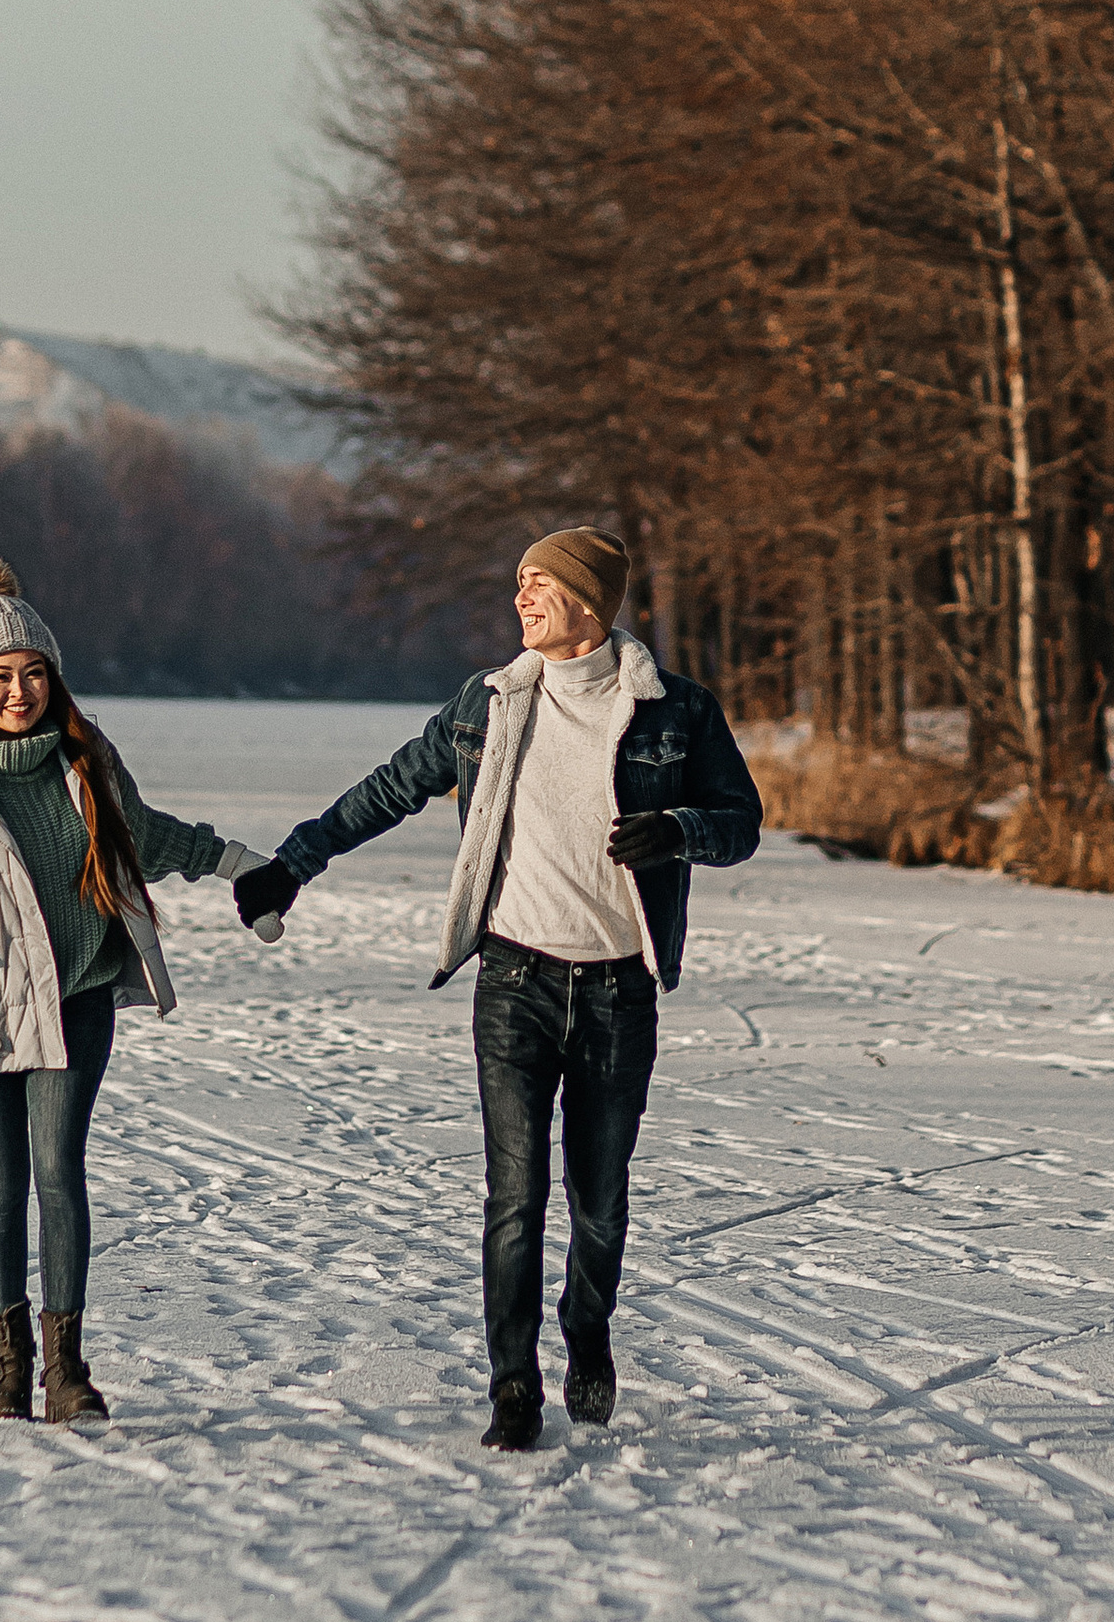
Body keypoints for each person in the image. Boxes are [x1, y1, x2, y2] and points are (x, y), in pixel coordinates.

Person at [235, 527, 761, 1450]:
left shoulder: (675, 712)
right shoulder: (489, 704)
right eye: (517, 579)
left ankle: (586, 1335)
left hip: (616, 991)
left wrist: (679, 828)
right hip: (513, 981)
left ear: (590, 605)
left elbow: (741, 821)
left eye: (541, 583)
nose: (521, 596)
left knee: (600, 1200)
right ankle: (512, 1384)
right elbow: (391, 787)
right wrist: (294, 863)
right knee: (514, 1196)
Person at [0, 555, 274, 1424]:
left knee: (59, 1171)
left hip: (78, 998)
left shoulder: (87, 766)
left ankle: (66, 1366)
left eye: (33, 674)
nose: (18, 691)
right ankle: (6, 1359)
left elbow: (145, 837)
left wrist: (232, 860)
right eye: (0, 677)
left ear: (53, 679)